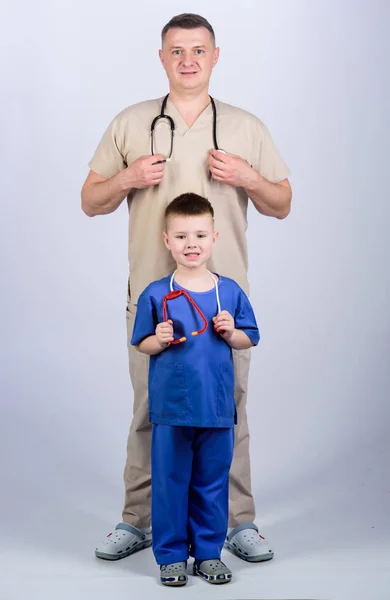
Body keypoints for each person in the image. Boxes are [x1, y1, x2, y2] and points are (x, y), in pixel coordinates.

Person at [81, 13, 292, 563]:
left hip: (223, 303)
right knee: (151, 407)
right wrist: (128, 179)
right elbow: (90, 199)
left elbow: (282, 203)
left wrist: (247, 177)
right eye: (177, 51)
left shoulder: (245, 126)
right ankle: (140, 519)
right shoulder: (132, 123)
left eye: (199, 50)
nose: (189, 59)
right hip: (157, 302)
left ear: (216, 56)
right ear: (162, 58)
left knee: (231, 408)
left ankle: (236, 521)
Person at [131, 192, 260, 586]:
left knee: (211, 482)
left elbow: (249, 338)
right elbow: (142, 343)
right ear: (167, 240)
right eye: (183, 236)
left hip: (217, 407)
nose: (192, 244)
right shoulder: (156, 293)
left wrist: (230, 331)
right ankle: (170, 555)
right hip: (172, 409)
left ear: (215, 239)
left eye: (200, 235)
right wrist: (161, 339)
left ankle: (207, 553)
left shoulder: (229, 292)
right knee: (170, 480)